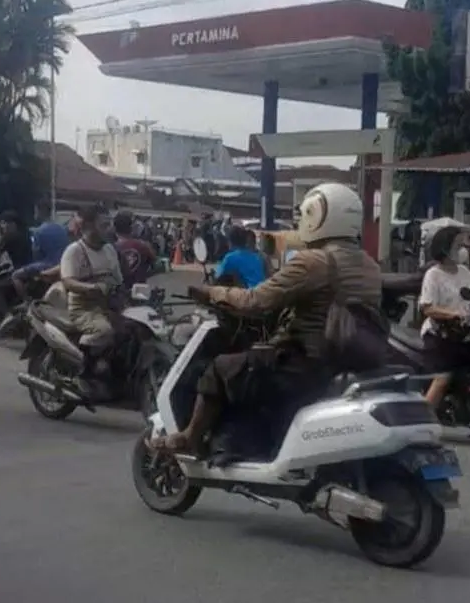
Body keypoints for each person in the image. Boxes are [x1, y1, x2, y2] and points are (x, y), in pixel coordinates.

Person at [149, 183, 384, 454]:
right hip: (342, 361)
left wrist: (212, 292)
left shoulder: (312, 262)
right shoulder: (369, 264)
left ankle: (191, 436)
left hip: (305, 364)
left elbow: (255, 301)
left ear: (317, 216)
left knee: (222, 368)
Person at [417, 225, 470, 412]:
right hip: (441, 337)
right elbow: (428, 307)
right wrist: (452, 314)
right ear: (444, 247)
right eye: (458, 245)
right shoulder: (434, 275)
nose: (463, 248)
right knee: (442, 378)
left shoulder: (464, 272)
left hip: (466, 335)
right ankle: (424, 421)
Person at [58, 204, 125, 386]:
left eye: (110, 224)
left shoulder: (110, 250)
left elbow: (118, 280)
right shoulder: (74, 251)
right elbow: (68, 282)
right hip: (83, 308)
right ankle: (83, 373)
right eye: (104, 225)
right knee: (103, 330)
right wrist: (93, 288)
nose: (110, 229)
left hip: (108, 305)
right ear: (88, 227)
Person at [114, 210, 157, 288]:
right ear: (132, 227)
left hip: (117, 290)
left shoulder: (109, 247)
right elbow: (155, 265)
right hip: (138, 290)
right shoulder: (143, 245)